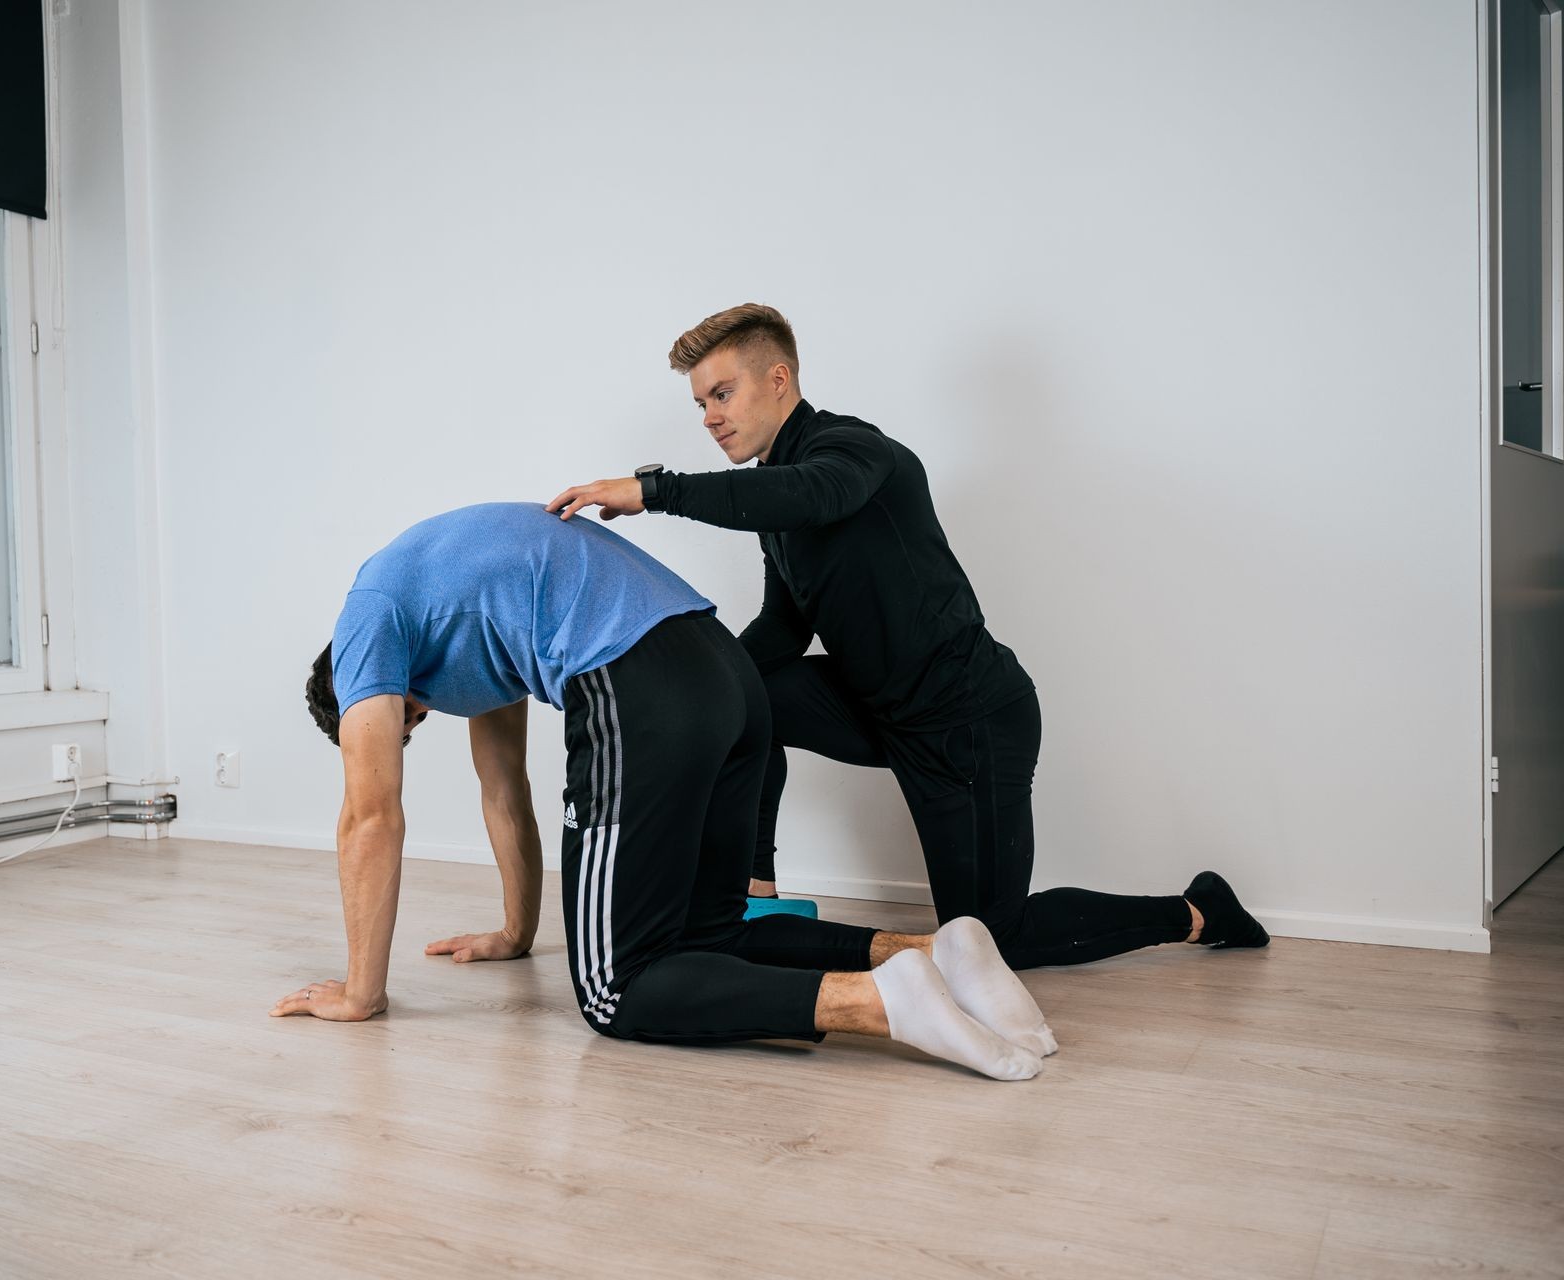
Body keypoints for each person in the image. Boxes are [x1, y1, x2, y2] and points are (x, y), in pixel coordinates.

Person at [546, 304, 1268, 969]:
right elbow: (784, 627)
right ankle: (752, 887)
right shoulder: (774, 505)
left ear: (778, 378)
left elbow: (814, 494)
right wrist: (694, 682)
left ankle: (1201, 911)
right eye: (700, 402)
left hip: (968, 723)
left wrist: (656, 490)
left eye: (722, 394)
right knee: (743, 689)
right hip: (874, 709)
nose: (708, 416)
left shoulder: (855, 450)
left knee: (989, 940)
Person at [280, 502, 1058, 1080]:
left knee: (617, 990)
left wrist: (361, 994)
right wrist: (515, 934)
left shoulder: (366, 626)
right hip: (725, 674)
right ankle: (936, 952)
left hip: (638, 680)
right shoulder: (457, 616)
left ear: (352, 690)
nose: (414, 724)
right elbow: (503, 787)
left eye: (402, 724)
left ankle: (878, 1004)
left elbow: (371, 817)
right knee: (708, 932)